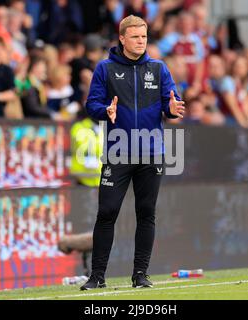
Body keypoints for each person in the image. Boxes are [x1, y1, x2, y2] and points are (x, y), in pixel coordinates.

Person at [80, 15, 185, 290]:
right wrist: (106, 111)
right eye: (136, 37)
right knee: (107, 211)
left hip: (151, 153)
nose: (141, 41)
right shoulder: (105, 69)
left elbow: (170, 102)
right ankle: (97, 276)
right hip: (118, 153)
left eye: (144, 37)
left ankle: (140, 275)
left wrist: (171, 111)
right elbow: (91, 105)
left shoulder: (159, 69)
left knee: (146, 211)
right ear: (123, 38)